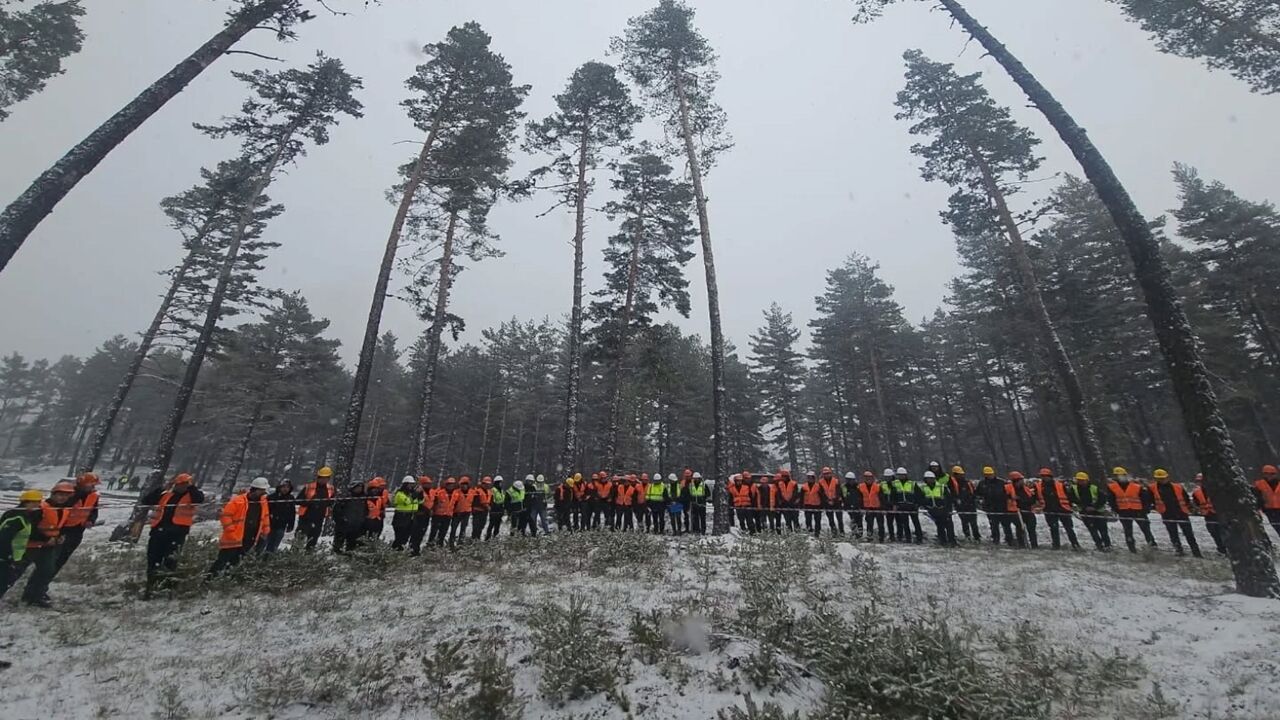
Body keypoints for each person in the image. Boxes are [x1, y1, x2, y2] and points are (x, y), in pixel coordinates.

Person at [142, 473, 205, 596]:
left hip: (177, 534)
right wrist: (162, 488)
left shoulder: (191, 496)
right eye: (180, 484)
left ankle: (167, 588)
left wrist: (191, 487)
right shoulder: (166, 495)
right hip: (158, 533)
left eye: (185, 484)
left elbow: (199, 499)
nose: (182, 486)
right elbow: (147, 501)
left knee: (170, 561)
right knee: (153, 561)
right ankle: (151, 587)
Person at [209, 477, 270, 575]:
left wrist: (265, 529)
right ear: (255, 489)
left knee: (235, 563)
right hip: (233, 538)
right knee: (221, 562)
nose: (264, 493)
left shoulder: (263, 502)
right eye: (262, 490)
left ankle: (227, 580)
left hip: (249, 538)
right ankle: (209, 580)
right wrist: (230, 531)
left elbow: (265, 516)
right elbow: (225, 515)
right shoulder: (239, 500)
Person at [0, 491, 45, 603]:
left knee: (5, 582)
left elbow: (29, 534)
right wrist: (7, 557)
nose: (37, 505)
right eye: (34, 502)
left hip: (14, 557)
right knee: (2, 582)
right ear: (25, 502)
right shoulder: (16, 517)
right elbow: (4, 538)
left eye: (38, 502)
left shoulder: (25, 516)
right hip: (5, 557)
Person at [54, 471, 101, 574]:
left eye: (94, 485)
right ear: (83, 484)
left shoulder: (93, 495)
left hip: (78, 529)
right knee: (54, 555)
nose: (93, 487)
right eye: (91, 485)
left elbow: (94, 510)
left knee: (62, 558)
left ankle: (49, 576)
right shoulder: (70, 493)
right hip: (63, 528)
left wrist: (91, 520)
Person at [1150, 468, 1201, 557]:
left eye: (1163, 478)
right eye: (1159, 479)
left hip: (1181, 513)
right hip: (1167, 514)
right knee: (1173, 534)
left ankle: (1196, 552)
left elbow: (1186, 499)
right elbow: (1149, 500)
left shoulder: (1178, 487)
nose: (1162, 480)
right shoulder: (1152, 488)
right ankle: (1178, 550)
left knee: (1189, 534)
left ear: (1167, 477)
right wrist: (1155, 507)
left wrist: (1190, 508)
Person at [1108, 467, 1157, 553]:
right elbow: (1111, 500)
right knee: (1128, 532)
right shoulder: (1112, 487)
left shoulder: (1136, 486)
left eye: (1121, 475)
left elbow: (1145, 499)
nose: (1120, 477)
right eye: (1117, 475)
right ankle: (1132, 548)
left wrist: (1145, 510)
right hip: (1124, 512)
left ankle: (1152, 545)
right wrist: (1117, 510)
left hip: (1139, 511)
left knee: (1146, 529)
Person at [1035, 468, 1080, 550]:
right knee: (1053, 528)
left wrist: (1070, 505)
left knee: (1069, 528)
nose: (1044, 477)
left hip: (1063, 509)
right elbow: (1035, 497)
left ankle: (1075, 544)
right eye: (1042, 476)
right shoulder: (1038, 486)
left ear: (1050, 476)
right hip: (1049, 510)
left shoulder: (1060, 485)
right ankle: (1056, 545)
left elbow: (1069, 496)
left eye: (1046, 476)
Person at [1070, 471, 1112, 551]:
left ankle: (1107, 545)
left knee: (1103, 530)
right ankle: (1099, 545)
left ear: (1087, 480)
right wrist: (1084, 507)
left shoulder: (1094, 488)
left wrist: (1094, 507)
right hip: (1085, 512)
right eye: (1079, 480)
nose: (1081, 482)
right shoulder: (1074, 489)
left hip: (1098, 512)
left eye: (1082, 480)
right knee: (1093, 530)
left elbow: (1103, 499)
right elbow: (1073, 499)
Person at [297, 466, 336, 551]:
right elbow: (298, 500)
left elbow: (332, 502)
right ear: (318, 477)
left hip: (319, 518)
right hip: (305, 517)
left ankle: (309, 555)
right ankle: (294, 555)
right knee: (299, 540)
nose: (324, 480)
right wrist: (310, 502)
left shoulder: (331, 488)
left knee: (313, 540)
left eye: (326, 478)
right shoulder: (309, 487)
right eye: (322, 478)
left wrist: (326, 503)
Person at [918, 471, 956, 547]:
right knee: (940, 526)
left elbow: (949, 499)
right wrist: (925, 506)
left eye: (931, 478)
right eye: (928, 479)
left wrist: (949, 509)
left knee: (949, 526)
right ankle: (942, 541)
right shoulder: (923, 488)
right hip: (933, 510)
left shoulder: (942, 487)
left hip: (944, 509)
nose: (929, 480)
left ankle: (952, 541)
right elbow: (920, 498)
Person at [1190, 473, 1225, 554]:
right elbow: (1196, 503)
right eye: (1198, 481)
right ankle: (1221, 548)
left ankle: (1227, 548)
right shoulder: (1196, 492)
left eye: (1201, 481)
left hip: (1218, 515)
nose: (1200, 483)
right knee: (1214, 533)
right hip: (1207, 515)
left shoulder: (1216, 490)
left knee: (1223, 532)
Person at [888, 467, 922, 543]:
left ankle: (919, 538)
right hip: (901, 506)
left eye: (903, 475)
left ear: (906, 475)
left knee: (916, 522)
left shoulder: (912, 483)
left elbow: (919, 494)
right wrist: (894, 504)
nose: (901, 476)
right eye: (900, 475)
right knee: (905, 524)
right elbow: (892, 495)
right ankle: (908, 538)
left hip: (912, 506)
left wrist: (917, 504)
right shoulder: (895, 484)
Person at [977, 466, 1010, 545]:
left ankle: (1009, 539)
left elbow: (1008, 493)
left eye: (990, 474)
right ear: (985, 475)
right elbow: (978, 493)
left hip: (1002, 507)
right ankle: (995, 539)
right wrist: (980, 500)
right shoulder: (982, 483)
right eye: (987, 474)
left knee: (1006, 524)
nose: (989, 476)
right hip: (990, 507)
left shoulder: (1001, 482)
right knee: (993, 525)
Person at [332, 481, 367, 554]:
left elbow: (366, 511)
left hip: (356, 526)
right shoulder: (345, 497)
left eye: (361, 488)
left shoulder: (364, 498)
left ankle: (349, 556)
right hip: (343, 525)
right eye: (357, 487)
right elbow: (336, 510)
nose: (359, 489)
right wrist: (340, 520)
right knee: (338, 544)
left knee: (351, 545)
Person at [948, 466, 981, 542]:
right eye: (959, 474)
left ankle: (977, 537)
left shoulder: (967, 482)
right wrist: (956, 500)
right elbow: (951, 494)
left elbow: (973, 493)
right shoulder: (951, 483)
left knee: (973, 522)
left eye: (961, 474)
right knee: (964, 522)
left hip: (970, 504)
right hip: (960, 505)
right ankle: (967, 536)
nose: (961, 475)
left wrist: (974, 500)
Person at [1006, 472, 1038, 548]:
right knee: (1020, 529)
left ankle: (1034, 545)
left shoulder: (1026, 489)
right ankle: (1021, 545)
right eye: (1021, 480)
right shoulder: (1008, 488)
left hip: (1028, 511)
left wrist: (1028, 501)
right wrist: (1012, 498)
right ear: (1016, 481)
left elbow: (1031, 499)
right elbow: (1003, 497)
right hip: (1016, 512)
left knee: (1032, 528)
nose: (1022, 481)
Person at [265, 479, 297, 553]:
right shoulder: (271, 497)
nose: (285, 489)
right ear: (279, 487)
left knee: (275, 545)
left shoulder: (291, 498)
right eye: (283, 487)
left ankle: (271, 556)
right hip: (270, 524)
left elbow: (292, 513)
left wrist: (291, 525)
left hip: (282, 525)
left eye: (287, 487)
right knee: (267, 544)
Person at [853, 471, 885, 542]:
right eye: (866, 477)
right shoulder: (860, 487)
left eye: (869, 477)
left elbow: (882, 498)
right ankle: (869, 537)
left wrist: (883, 508)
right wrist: (861, 508)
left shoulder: (878, 486)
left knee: (880, 524)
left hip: (878, 508)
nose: (868, 479)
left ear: (872, 478)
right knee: (869, 524)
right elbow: (859, 499)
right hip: (868, 508)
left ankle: (881, 538)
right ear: (864, 478)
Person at [391, 477, 421, 550]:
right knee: (399, 537)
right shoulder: (399, 493)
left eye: (412, 484)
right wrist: (414, 495)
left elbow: (419, 502)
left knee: (406, 536)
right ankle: (396, 550)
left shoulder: (412, 493)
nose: (411, 486)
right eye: (410, 484)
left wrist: (420, 496)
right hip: (401, 517)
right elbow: (407, 501)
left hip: (410, 517)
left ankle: (400, 550)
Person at [409, 476, 434, 554]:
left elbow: (432, 501)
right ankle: (412, 549)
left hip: (426, 515)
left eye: (429, 483)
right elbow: (415, 501)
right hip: (419, 515)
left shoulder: (431, 491)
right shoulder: (418, 491)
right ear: (422, 484)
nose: (429, 485)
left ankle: (417, 548)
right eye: (427, 483)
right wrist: (427, 510)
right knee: (416, 533)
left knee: (422, 533)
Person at [1254, 464, 1280, 540]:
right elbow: (1256, 497)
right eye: (1267, 473)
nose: (1269, 476)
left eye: (1272, 474)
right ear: (1264, 474)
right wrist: (1259, 507)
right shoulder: (1259, 484)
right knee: (1277, 527)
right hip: (1269, 510)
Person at [428, 478, 457, 547]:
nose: (451, 486)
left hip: (448, 515)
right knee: (434, 531)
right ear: (446, 485)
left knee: (443, 531)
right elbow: (433, 501)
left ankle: (440, 545)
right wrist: (432, 510)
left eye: (452, 484)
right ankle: (430, 544)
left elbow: (456, 504)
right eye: (449, 484)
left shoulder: (456, 493)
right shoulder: (439, 492)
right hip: (438, 515)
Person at [818, 467, 845, 536]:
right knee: (831, 519)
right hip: (827, 503)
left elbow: (839, 492)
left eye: (828, 473)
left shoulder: (836, 481)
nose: (826, 475)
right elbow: (821, 494)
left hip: (837, 503)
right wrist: (827, 500)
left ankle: (842, 532)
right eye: (825, 474)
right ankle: (834, 533)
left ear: (831, 473)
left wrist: (835, 500)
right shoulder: (820, 482)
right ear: (823, 474)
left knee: (840, 519)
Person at [451, 476, 474, 542]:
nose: (464, 486)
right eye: (462, 484)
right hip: (457, 513)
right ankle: (451, 541)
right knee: (453, 528)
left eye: (465, 484)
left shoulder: (472, 492)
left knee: (463, 529)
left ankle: (460, 542)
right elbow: (453, 502)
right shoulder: (456, 492)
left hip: (466, 513)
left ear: (468, 485)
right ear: (460, 484)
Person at [470, 476, 493, 540]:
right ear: (482, 483)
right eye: (486, 484)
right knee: (476, 527)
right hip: (477, 511)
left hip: (484, 512)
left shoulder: (489, 492)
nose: (487, 485)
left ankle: (478, 539)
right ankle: (474, 540)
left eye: (488, 484)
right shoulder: (477, 491)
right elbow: (475, 501)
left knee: (481, 526)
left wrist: (489, 506)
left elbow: (490, 501)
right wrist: (486, 505)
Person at [800, 471, 822, 536]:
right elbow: (801, 496)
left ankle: (817, 532)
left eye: (811, 478)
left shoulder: (818, 486)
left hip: (817, 505)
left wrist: (822, 505)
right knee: (808, 520)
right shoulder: (804, 486)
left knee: (817, 520)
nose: (810, 479)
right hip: (807, 505)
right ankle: (809, 532)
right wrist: (801, 505)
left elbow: (822, 496)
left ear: (814, 478)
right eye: (809, 477)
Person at [842, 471, 863, 537]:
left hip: (858, 506)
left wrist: (861, 506)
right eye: (848, 479)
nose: (849, 481)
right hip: (849, 506)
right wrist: (845, 505)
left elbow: (861, 497)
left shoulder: (858, 487)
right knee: (852, 520)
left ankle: (860, 534)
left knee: (859, 520)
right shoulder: (844, 487)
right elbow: (843, 497)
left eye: (850, 480)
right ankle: (854, 533)